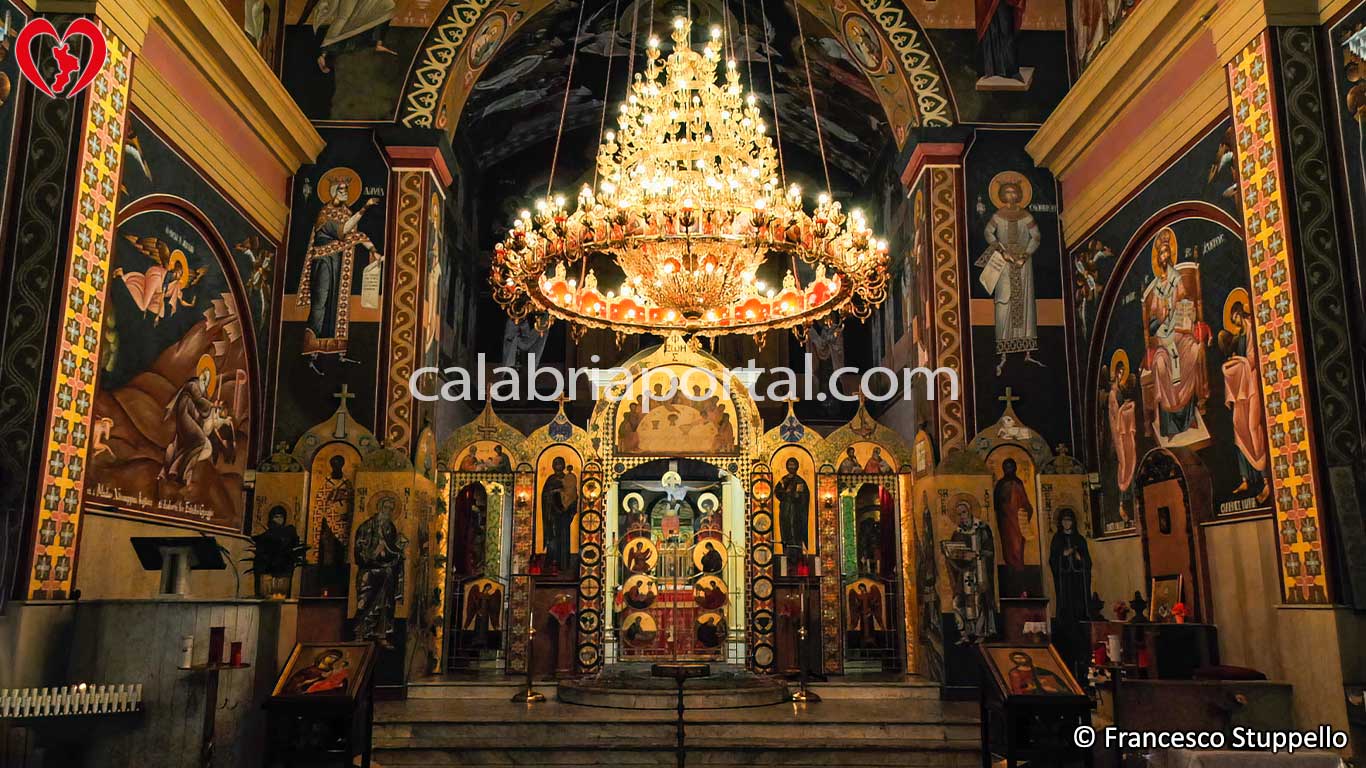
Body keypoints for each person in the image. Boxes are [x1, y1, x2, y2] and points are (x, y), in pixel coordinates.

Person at [298, 173, 381, 372]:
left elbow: (356, 235)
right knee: (321, 301)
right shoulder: (324, 214)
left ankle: (337, 351)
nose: (345, 193)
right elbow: (344, 230)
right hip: (324, 261)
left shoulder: (345, 212)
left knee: (337, 303)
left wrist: (373, 250)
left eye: (346, 190)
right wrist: (365, 207)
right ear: (334, 191)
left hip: (338, 262)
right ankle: (311, 352)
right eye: (342, 190)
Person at [1144, 228, 1210, 443]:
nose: (1164, 257)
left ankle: (1189, 416)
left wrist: (1182, 316)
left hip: (1180, 332)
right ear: (1158, 259)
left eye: (1166, 253)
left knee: (1191, 350)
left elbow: (1185, 303)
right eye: (1161, 254)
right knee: (1161, 364)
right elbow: (1152, 323)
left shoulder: (1177, 280)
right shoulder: (1155, 288)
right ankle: (1170, 422)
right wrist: (1161, 318)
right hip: (1164, 338)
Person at [977, 174, 1042, 374]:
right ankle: (1003, 353)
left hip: (1022, 264)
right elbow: (989, 232)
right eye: (1008, 192)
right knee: (1003, 303)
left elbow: (1036, 236)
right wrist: (1000, 248)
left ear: (1020, 194)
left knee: (1025, 304)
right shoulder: (998, 216)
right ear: (1003, 195)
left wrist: (1026, 254)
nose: (1011, 195)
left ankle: (1028, 353)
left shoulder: (1026, 216)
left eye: (1014, 192)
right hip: (1004, 264)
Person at [1219, 297, 1270, 501]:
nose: (1235, 322)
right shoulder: (1239, 334)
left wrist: (1238, 362)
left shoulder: (1251, 330)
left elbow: (1251, 360)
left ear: (1240, 314)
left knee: (1252, 427)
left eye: (1235, 318)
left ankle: (1266, 480)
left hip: (1253, 385)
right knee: (1238, 426)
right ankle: (1246, 478)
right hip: (1242, 389)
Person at [353, 494, 407, 647]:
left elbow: (392, 550)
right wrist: (375, 551)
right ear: (379, 508)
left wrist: (399, 550)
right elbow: (360, 553)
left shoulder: (390, 528)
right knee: (365, 602)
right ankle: (360, 634)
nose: (388, 511)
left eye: (391, 509)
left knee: (386, 605)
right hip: (370, 573)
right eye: (386, 508)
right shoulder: (366, 527)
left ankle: (381, 634)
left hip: (387, 573)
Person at [943, 500, 997, 643]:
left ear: (970, 512)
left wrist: (976, 554)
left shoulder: (982, 529)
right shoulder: (957, 533)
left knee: (979, 600)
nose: (962, 516)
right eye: (959, 514)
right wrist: (952, 554)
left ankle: (980, 633)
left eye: (964, 512)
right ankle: (965, 633)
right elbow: (954, 554)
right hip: (964, 573)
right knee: (959, 602)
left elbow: (990, 551)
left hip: (980, 571)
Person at [1048, 508, 1092, 675]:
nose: (1067, 523)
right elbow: (1053, 560)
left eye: (1069, 520)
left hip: (1078, 584)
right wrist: (1063, 555)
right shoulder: (1057, 539)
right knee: (1066, 612)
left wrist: (1081, 559)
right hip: (1064, 583)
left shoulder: (1080, 540)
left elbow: (1087, 562)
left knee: (1079, 611)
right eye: (1064, 520)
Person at [993, 458, 1034, 571]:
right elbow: (995, 504)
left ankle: (1018, 569)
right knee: (1008, 546)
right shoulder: (1000, 484)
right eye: (1007, 467)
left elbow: (1025, 503)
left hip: (1018, 521)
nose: (1009, 469)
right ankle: (1012, 568)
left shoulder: (1018, 483)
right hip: (1006, 521)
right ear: (1004, 469)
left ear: (1015, 468)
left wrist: (1026, 511)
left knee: (1017, 546)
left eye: (1011, 466)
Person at [540, 457, 578, 574]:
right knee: (553, 537)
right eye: (556, 463)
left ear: (563, 465)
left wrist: (570, 507)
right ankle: (552, 563)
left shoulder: (568, 478)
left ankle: (564, 564)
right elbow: (544, 495)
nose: (558, 465)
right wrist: (551, 494)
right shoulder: (550, 479)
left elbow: (573, 495)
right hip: (552, 514)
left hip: (564, 514)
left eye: (560, 463)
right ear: (552, 465)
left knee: (564, 537)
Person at [775, 457, 811, 556]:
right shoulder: (784, 480)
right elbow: (777, 492)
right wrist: (785, 494)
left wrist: (797, 496)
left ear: (797, 466)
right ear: (786, 466)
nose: (791, 467)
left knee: (795, 531)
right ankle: (786, 551)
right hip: (785, 510)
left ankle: (797, 551)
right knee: (786, 530)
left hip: (796, 512)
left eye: (793, 465)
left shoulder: (800, 481)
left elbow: (803, 497)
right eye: (790, 465)